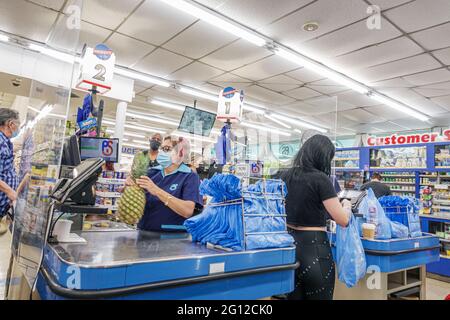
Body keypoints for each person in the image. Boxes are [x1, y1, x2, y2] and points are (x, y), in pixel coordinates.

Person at [281, 134, 351, 300]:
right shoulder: (321, 179)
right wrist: (346, 205)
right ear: (323, 157)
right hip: (314, 249)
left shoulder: (285, 176)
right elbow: (343, 220)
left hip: (289, 246)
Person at [134, 136, 203, 232]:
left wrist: (157, 191)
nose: (161, 152)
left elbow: (187, 211)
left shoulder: (190, 177)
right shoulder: (151, 173)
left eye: (167, 149)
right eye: (162, 149)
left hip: (172, 237)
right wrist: (129, 187)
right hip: (144, 232)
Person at [0, 109, 20, 236]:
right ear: (10, 124)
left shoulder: (5, 142)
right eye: (18, 124)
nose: (18, 127)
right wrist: (9, 191)